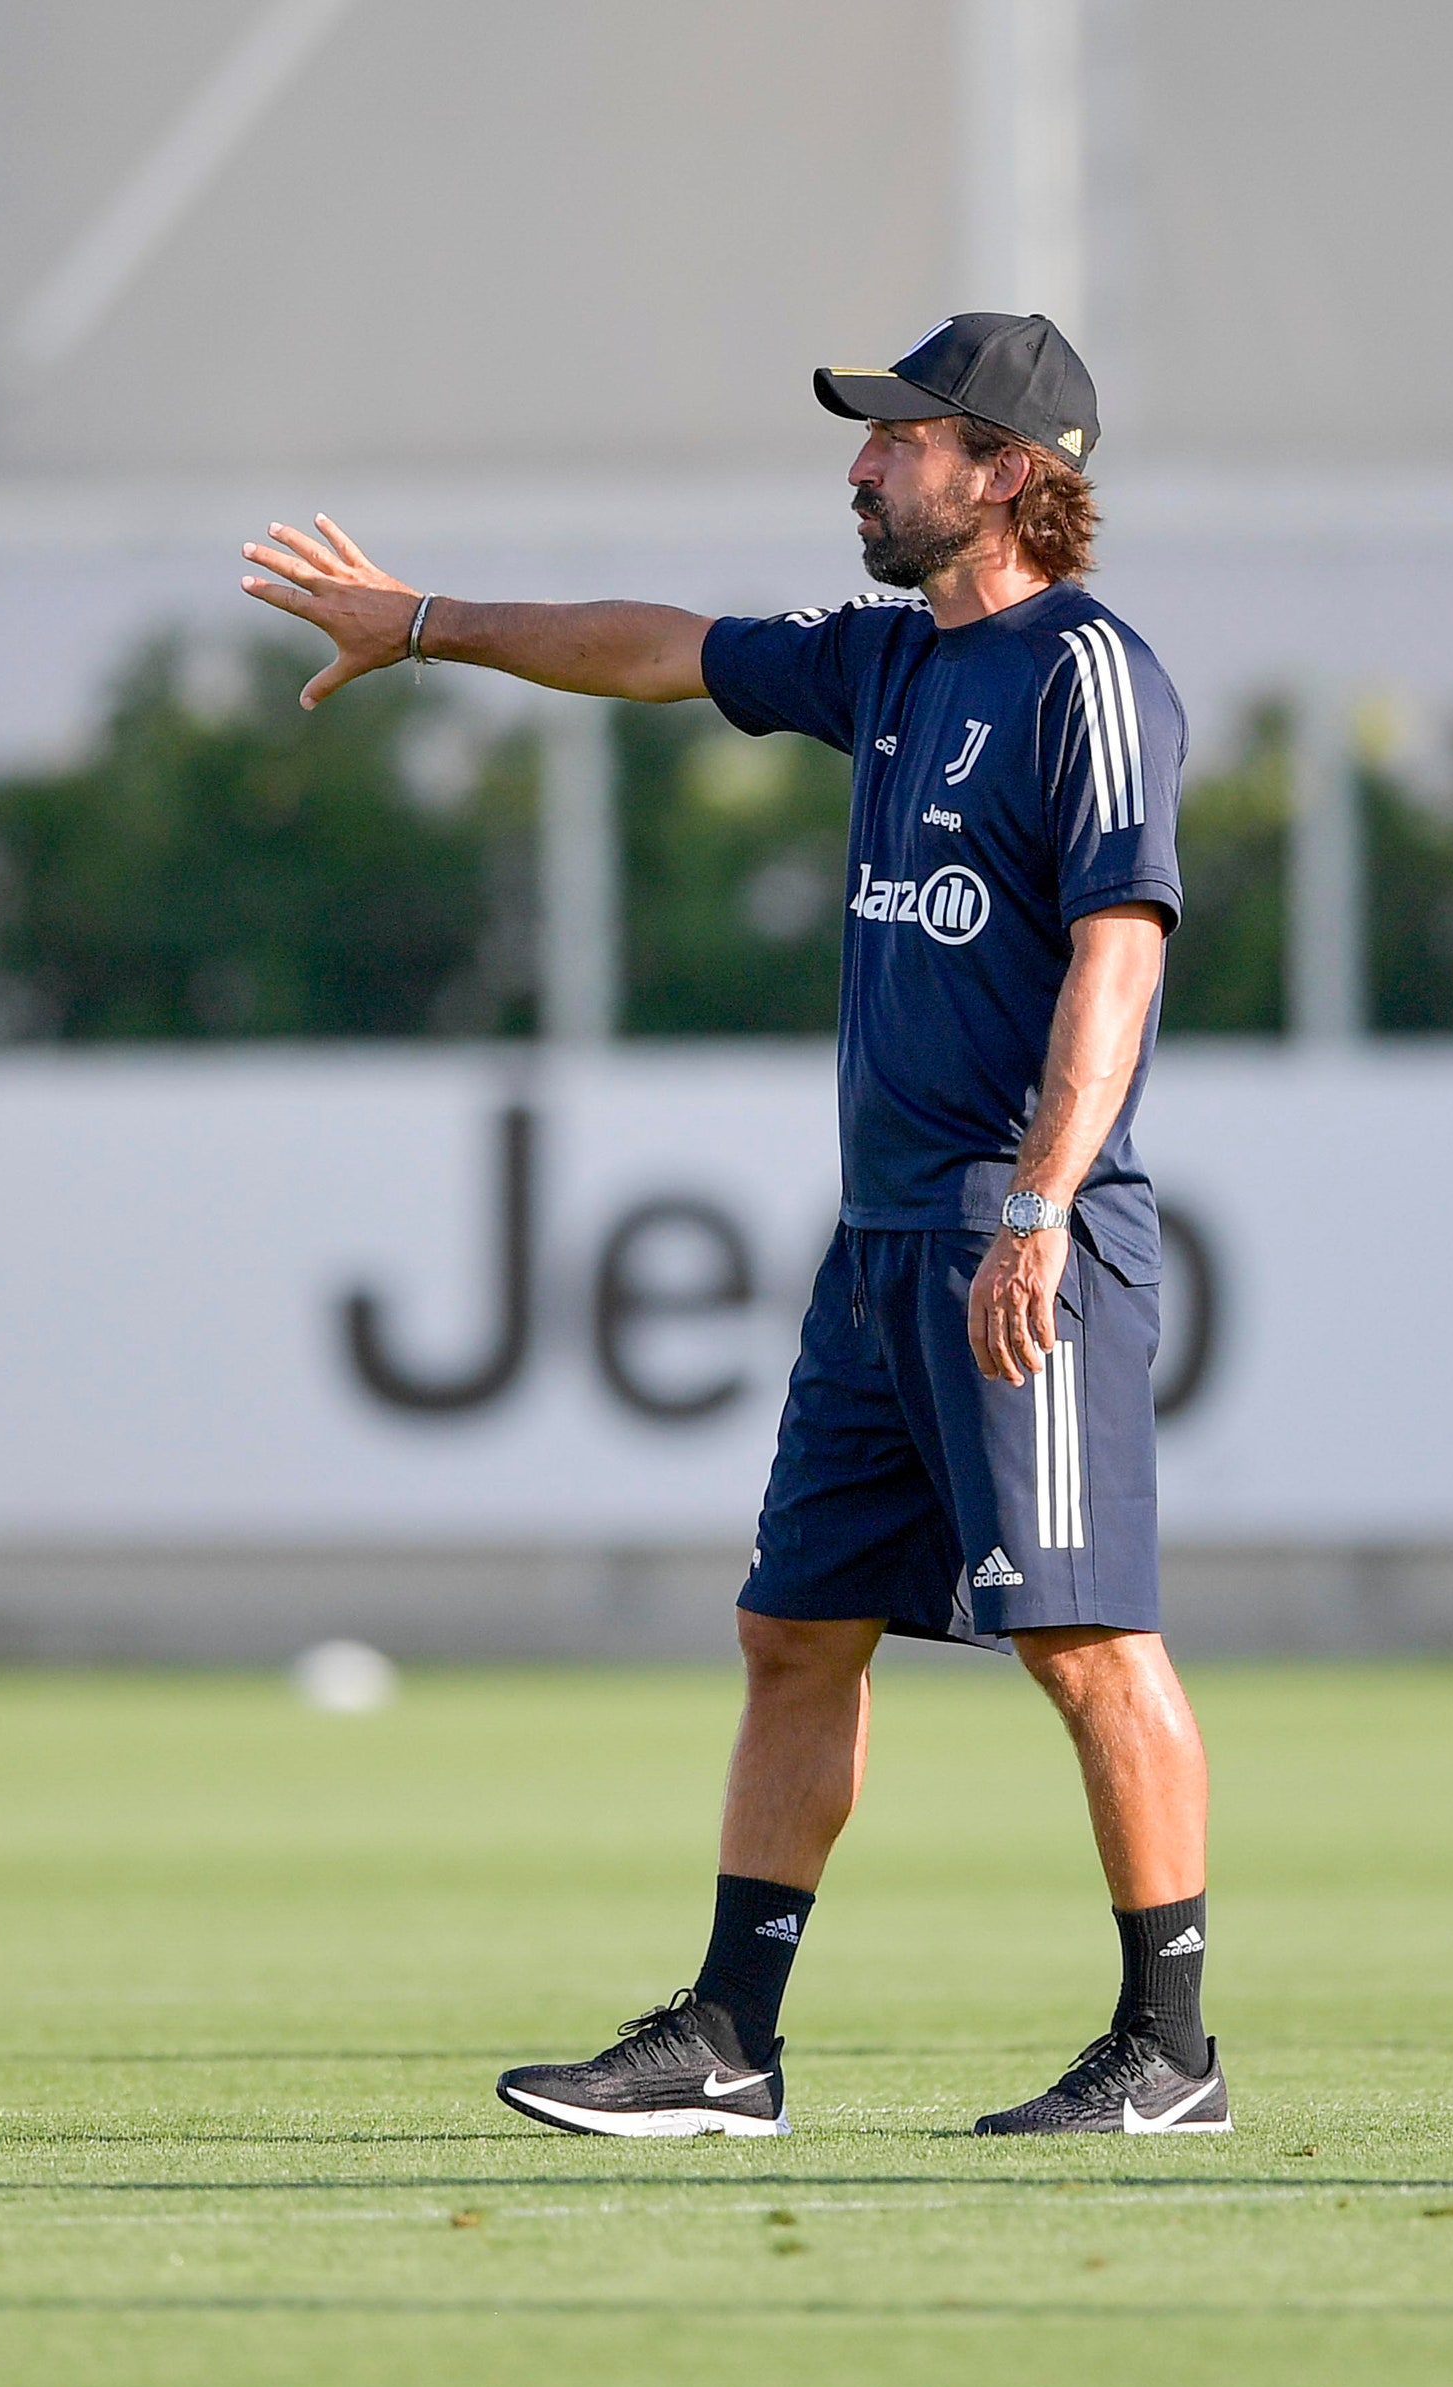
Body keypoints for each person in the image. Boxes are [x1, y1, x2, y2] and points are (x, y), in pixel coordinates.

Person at [242, 310, 1229, 2141]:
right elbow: (663, 649)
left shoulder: (1091, 672)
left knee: (1084, 1641)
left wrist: (1040, 1203)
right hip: (879, 1250)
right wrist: (429, 622)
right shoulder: (893, 666)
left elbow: (1119, 955)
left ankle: (1169, 2052)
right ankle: (730, 2039)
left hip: (1021, 1241)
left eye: (900, 438)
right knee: (796, 1630)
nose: (861, 463)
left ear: (1012, 470)